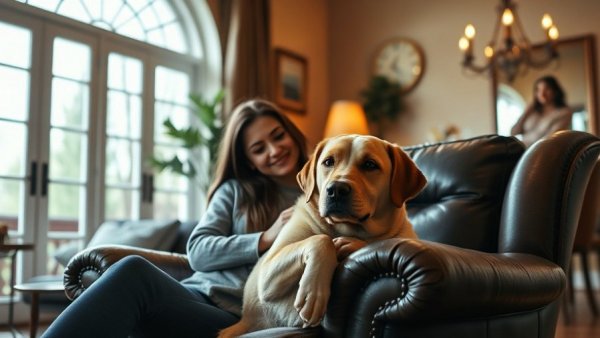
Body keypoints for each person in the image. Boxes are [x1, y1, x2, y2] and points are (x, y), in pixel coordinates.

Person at [42, 99, 308, 338]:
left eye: (278, 136)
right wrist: (264, 238)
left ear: (291, 133)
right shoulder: (236, 192)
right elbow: (198, 252)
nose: (274, 150)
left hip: (238, 313)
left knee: (132, 276)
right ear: (249, 161)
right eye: (259, 149)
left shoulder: (321, 194)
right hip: (199, 294)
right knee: (132, 270)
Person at [510, 75, 573, 148]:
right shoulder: (532, 112)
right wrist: (526, 113)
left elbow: (550, 139)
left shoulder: (564, 112)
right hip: (522, 150)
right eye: (538, 90)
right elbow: (513, 132)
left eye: (547, 89)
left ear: (555, 91)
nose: (542, 94)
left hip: (543, 152)